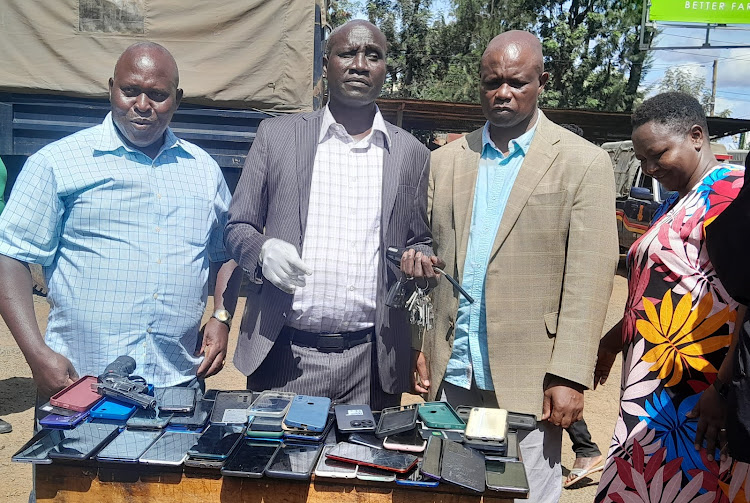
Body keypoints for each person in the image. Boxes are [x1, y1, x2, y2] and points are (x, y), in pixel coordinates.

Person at [424, 30, 618, 502]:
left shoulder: (582, 163)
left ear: (542, 81)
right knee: (447, 489)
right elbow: (432, 264)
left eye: (517, 82)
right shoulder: (447, 160)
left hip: (530, 377)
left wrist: (570, 374)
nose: (503, 93)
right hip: (454, 372)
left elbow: (590, 279)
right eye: (493, 82)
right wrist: (421, 345)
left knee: (525, 493)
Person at [0, 42, 241, 396]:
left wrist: (222, 317)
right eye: (130, 91)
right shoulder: (57, 162)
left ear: (178, 98)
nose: (142, 106)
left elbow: (226, 251)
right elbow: (11, 256)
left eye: (158, 95)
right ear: (111, 87)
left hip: (176, 380)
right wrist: (36, 354)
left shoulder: (202, 169)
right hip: (81, 381)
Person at [225, 19, 440, 409]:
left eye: (372, 55)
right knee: (278, 467)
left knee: (360, 468)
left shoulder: (411, 154)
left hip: (370, 364)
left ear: (385, 69)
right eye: (347, 53)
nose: (360, 64)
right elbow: (237, 226)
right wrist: (262, 249)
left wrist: (419, 256)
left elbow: (418, 238)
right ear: (325, 65)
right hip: (283, 354)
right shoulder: (276, 137)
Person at [594, 92, 749, 502]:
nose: (649, 168)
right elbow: (660, 296)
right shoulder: (678, 202)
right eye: (642, 158)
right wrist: (613, 340)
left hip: (697, 398)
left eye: (658, 154)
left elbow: (748, 299)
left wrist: (723, 389)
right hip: (660, 392)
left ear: (697, 136)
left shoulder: (731, 195)